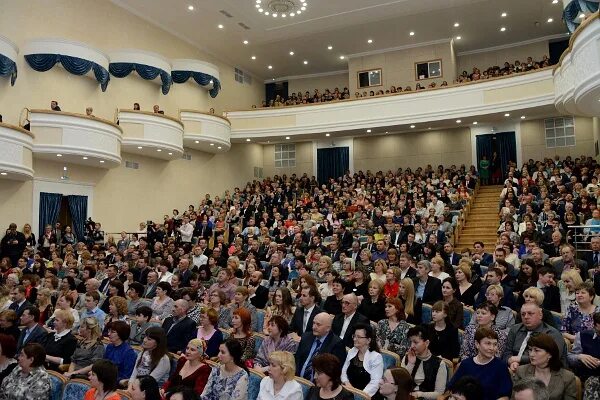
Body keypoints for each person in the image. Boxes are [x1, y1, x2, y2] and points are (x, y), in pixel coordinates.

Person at [447, 327, 512, 400]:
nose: (492, 348)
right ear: (477, 344)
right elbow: (452, 388)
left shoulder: (501, 366)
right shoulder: (466, 364)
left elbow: (505, 396)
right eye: (488, 343)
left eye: (495, 344)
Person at [504, 303, 567, 371]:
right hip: (514, 369)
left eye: (530, 313)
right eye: (523, 314)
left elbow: (551, 358)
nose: (526, 317)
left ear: (540, 315)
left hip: (546, 371)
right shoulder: (515, 329)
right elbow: (507, 352)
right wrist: (511, 362)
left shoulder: (552, 333)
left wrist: (520, 359)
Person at [513, 333, 577, 400]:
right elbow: (514, 398)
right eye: (530, 349)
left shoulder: (567, 377)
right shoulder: (521, 371)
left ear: (550, 354)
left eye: (536, 350)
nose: (531, 354)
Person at [400, 325, 447, 400]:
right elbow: (401, 384)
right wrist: (410, 364)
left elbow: (439, 393)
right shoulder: (407, 357)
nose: (412, 346)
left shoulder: (439, 363)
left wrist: (419, 394)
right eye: (410, 342)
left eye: (415, 342)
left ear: (427, 343)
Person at [296, 312, 347, 380]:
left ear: (328, 328)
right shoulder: (305, 337)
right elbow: (297, 359)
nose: (314, 327)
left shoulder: (337, 344)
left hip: (319, 385)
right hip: (298, 380)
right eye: (313, 323)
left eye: (318, 324)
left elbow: (334, 371)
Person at [341, 323, 384, 397]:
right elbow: (343, 371)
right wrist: (347, 384)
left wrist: (359, 396)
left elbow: (375, 383)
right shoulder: (352, 351)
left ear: (368, 340)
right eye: (354, 336)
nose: (354, 339)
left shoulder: (376, 357)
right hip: (349, 391)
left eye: (358, 337)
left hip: (367, 395)